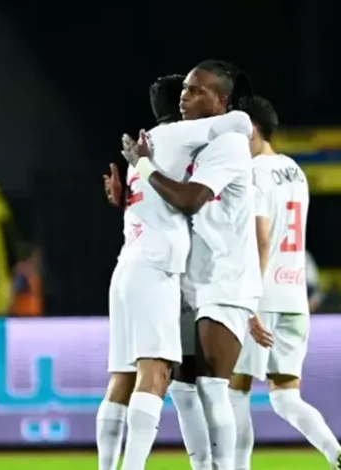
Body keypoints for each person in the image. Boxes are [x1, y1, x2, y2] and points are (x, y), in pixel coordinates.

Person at [121, 59, 267, 470]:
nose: (184, 97)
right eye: (184, 88)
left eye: (196, 90)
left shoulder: (229, 143)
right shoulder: (194, 142)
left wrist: (142, 164)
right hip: (189, 278)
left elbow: (190, 200)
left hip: (226, 278)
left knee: (212, 387)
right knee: (183, 388)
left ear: (220, 100)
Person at [229, 96, 341, 470]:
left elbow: (262, 239)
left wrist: (249, 300)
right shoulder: (295, 171)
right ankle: (337, 454)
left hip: (262, 296)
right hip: (295, 296)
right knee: (285, 397)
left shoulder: (251, 173)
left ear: (252, 130)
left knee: (235, 390)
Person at [99, 73, 216, 470]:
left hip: (128, 266)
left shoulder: (144, 146)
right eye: (191, 92)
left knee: (122, 378)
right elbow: (235, 127)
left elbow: (151, 202)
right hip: (155, 269)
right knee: (156, 373)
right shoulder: (179, 136)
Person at [9, 245, 43, 316]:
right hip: (23, 313)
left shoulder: (36, 273)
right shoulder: (21, 270)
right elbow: (16, 291)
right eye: (37, 256)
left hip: (35, 312)